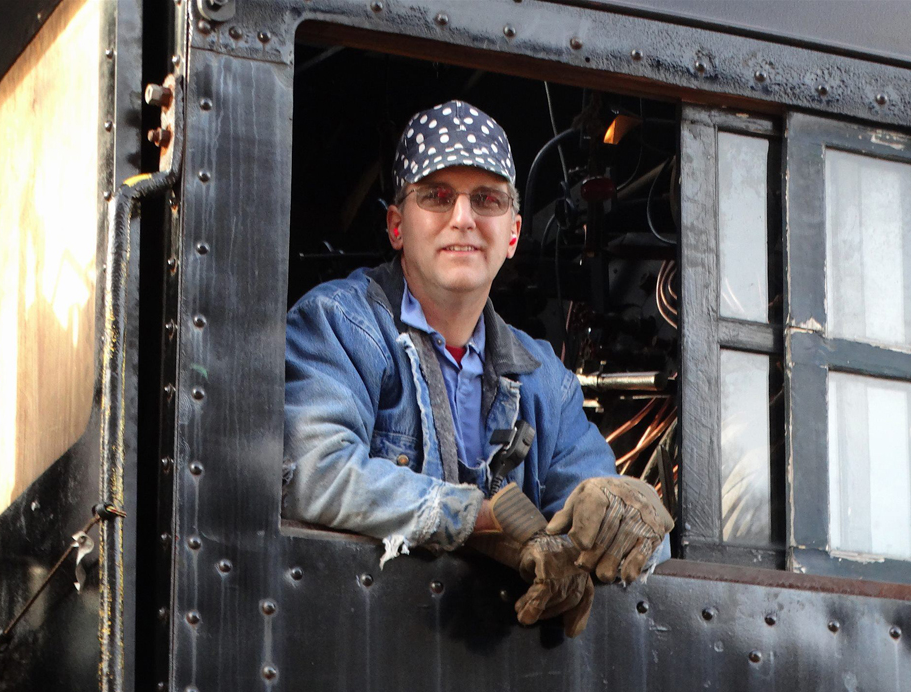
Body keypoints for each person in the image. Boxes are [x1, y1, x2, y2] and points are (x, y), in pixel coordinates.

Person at [284, 100, 673, 637]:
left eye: (485, 199)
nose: (462, 218)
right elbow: (314, 472)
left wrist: (626, 513)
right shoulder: (337, 325)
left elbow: (599, 513)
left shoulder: (545, 381)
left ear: (512, 234)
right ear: (397, 225)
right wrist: (479, 519)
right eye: (437, 196)